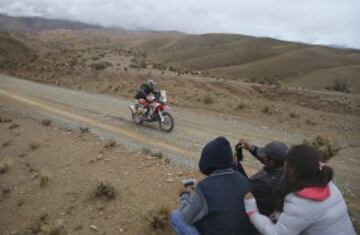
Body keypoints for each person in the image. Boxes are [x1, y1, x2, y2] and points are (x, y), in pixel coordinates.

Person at [244, 145, 356, 235]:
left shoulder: (299, 202)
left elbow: (276, 233)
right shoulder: (328, 183)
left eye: (286, 165)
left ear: (293, 171)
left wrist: (252, 211)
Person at [170, 136, 256, 235]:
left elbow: (186, 217)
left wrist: (184, 194)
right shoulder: (243, 180)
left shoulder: (203, 189)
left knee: (176, 216)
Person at [235, 140, 288, 216]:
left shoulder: (263, 184)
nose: (263, 157)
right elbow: (268, 160)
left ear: (271, 162)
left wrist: (236, 166)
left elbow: (243, 188)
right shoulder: (286, 170)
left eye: (265, 156)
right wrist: (251, 148)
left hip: (256, 217)